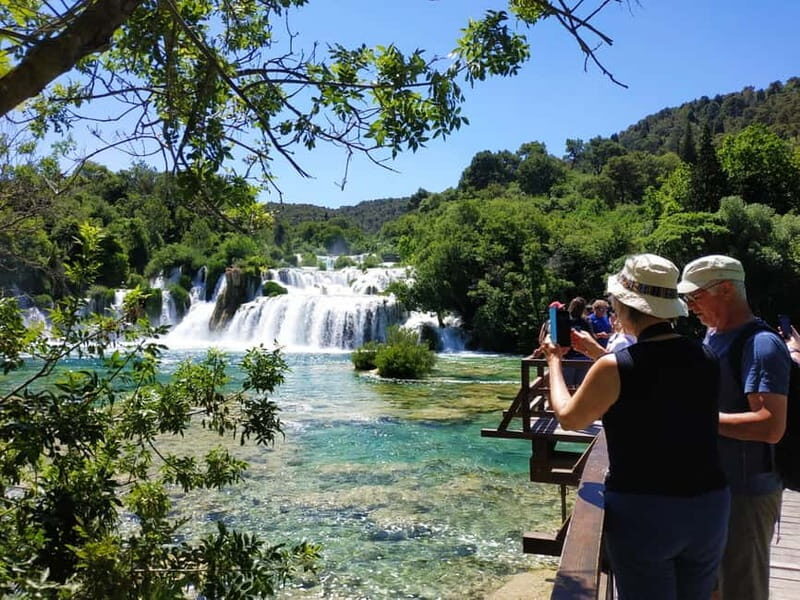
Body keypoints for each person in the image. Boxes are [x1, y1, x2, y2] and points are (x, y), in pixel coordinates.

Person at [541, 254, 730, 600]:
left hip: (646, 509)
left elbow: (569, 417)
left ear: (625, 305)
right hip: (709, 505)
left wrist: (554, 361)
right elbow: (655, 382)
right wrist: (598, 353)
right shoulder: (706, 357)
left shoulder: (615, 368)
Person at [677, 255, 790, 600]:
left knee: (742, 590)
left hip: (746, 493)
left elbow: (770, 425)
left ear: (725, 289)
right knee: (710, 588)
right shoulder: (713, 336)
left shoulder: (761, 345)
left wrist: (697, 419)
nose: (689, 306)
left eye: (695, 296)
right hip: (713, 488)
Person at [562, 296, 595, 386]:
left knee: (567, 386)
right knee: (581, 386)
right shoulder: (586, 321)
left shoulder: (565, 320)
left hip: (569, 357)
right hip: (583, 356)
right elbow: (592, 338)